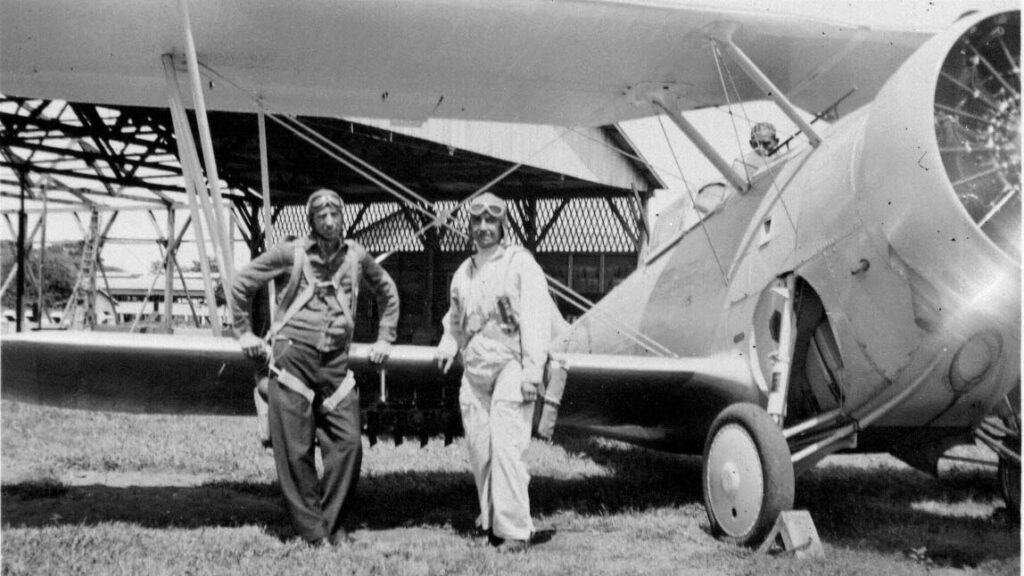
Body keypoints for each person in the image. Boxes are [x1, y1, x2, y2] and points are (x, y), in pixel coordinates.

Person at [231, 188, 399, 546]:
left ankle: (326, 522)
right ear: (311, 220)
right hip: (293, 359)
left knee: (348, 444)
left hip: (336, 366)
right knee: (295, 451)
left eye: (334, 213)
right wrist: (244, 333)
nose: (328, 220)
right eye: (320, 215)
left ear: (342, 217)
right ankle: (315, 534)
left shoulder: (356, 257)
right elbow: (241, 283)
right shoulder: (290, 253)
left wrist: (386, 338)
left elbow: (388, 292)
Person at [434, 192, 562, 553]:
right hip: (475, 369)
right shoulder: (464, 272)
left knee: (508, 447)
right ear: (470, 227)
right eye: (478, 222)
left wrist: (532, 372)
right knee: (480, 449)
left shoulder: (521, 264)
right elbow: (455, 322)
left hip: (511, 364)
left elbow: (537, 319)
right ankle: (492, 522)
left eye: (492, 221)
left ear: (503, 226)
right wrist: (448, 343)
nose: (484, 228)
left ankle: (516, 532)